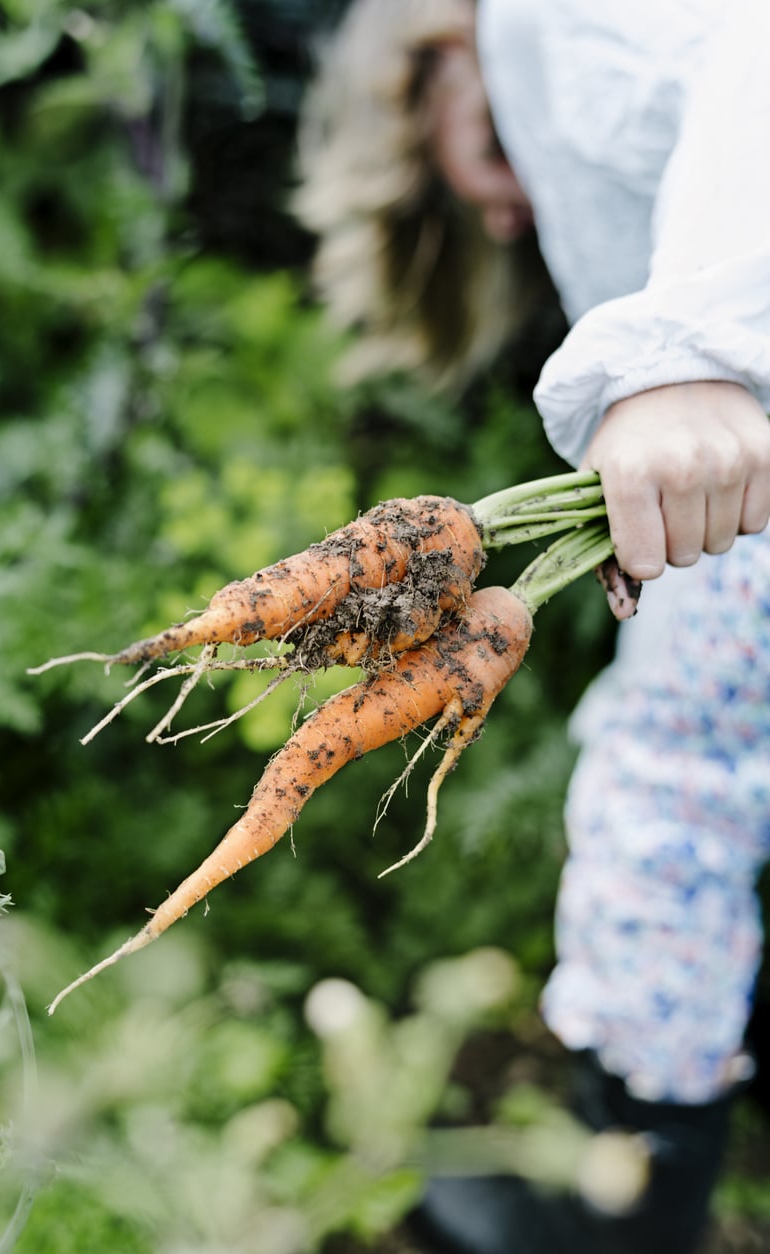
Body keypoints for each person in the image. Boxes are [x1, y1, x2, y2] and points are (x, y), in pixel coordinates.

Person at [294, 1, 770, 1251]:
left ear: (420, 63)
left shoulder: (531, 20)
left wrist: (686, 360)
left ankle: (617, 1215)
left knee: (664, 798)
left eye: (460, 179)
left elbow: (754, 54)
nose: (499, 216)